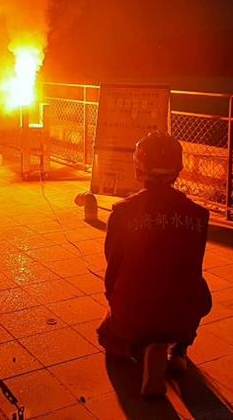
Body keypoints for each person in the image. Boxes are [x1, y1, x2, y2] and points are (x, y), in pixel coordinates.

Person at [97, 130, 212, 397]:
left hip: (135, 312)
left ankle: (142, 347)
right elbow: (192, 266)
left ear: (138, 169)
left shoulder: (122, 213)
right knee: (196, 292)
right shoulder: (198, 215)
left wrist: (113, 300)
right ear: (178, 170)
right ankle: (179, 349)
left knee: (107, 336)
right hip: (183, 314)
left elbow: (112, 265)